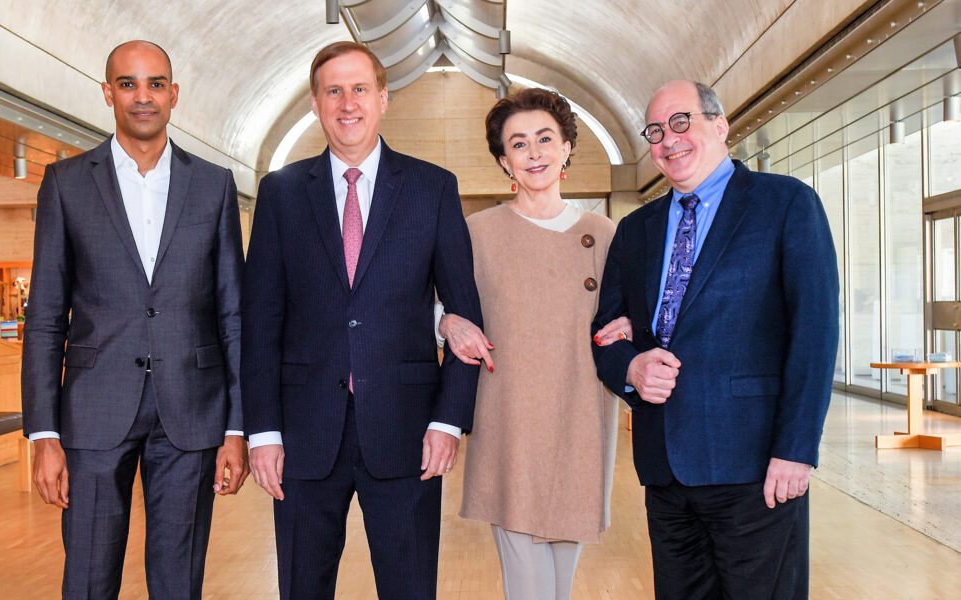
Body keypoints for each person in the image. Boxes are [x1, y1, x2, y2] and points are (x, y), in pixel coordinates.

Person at [241, 42, 483, 600]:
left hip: (407, 433)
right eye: (333, 91)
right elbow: (260, 322)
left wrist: (448, 422)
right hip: (302, 435)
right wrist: (263, 431)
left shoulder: (433, 188)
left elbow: (465, 317)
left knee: (409, 589)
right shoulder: (280, 193)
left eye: (359, 89)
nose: (347, 104)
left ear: (383, 98)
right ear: (315, 104)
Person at [591, 80, 838, 599]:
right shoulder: (634, 230)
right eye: (656, 131)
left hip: (756, 467)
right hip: (665, 471)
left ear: (721, 125)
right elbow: (606, 335)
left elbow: (814, 335)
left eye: (681, 122)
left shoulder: (786, 203)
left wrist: (796, 450)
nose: (669, 139)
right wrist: (631, 368)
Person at [21, 40, 248, 599]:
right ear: (108, 93)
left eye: (155, 84)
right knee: (89, 579)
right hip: (93, 412)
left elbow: (233, 314)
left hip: (192, 411)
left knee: (178, 582)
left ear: (174, 94)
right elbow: (45, 317)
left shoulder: (214, 184)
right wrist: (44, 434)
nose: (142, 97)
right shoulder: (66, 182)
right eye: (128, 84)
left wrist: (237, 427)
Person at [436, 87, 629, 600]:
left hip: (580, 419)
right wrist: (447, 322)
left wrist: (629, 328)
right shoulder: (476, 232)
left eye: (545, 138)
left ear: (567, 147)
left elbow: (625, 317)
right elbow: (433, 304)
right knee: (528, 584)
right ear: (504, 161)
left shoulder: (602, 234)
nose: (534, 152)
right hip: (510, 420)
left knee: (560, 582)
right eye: (518, 144)